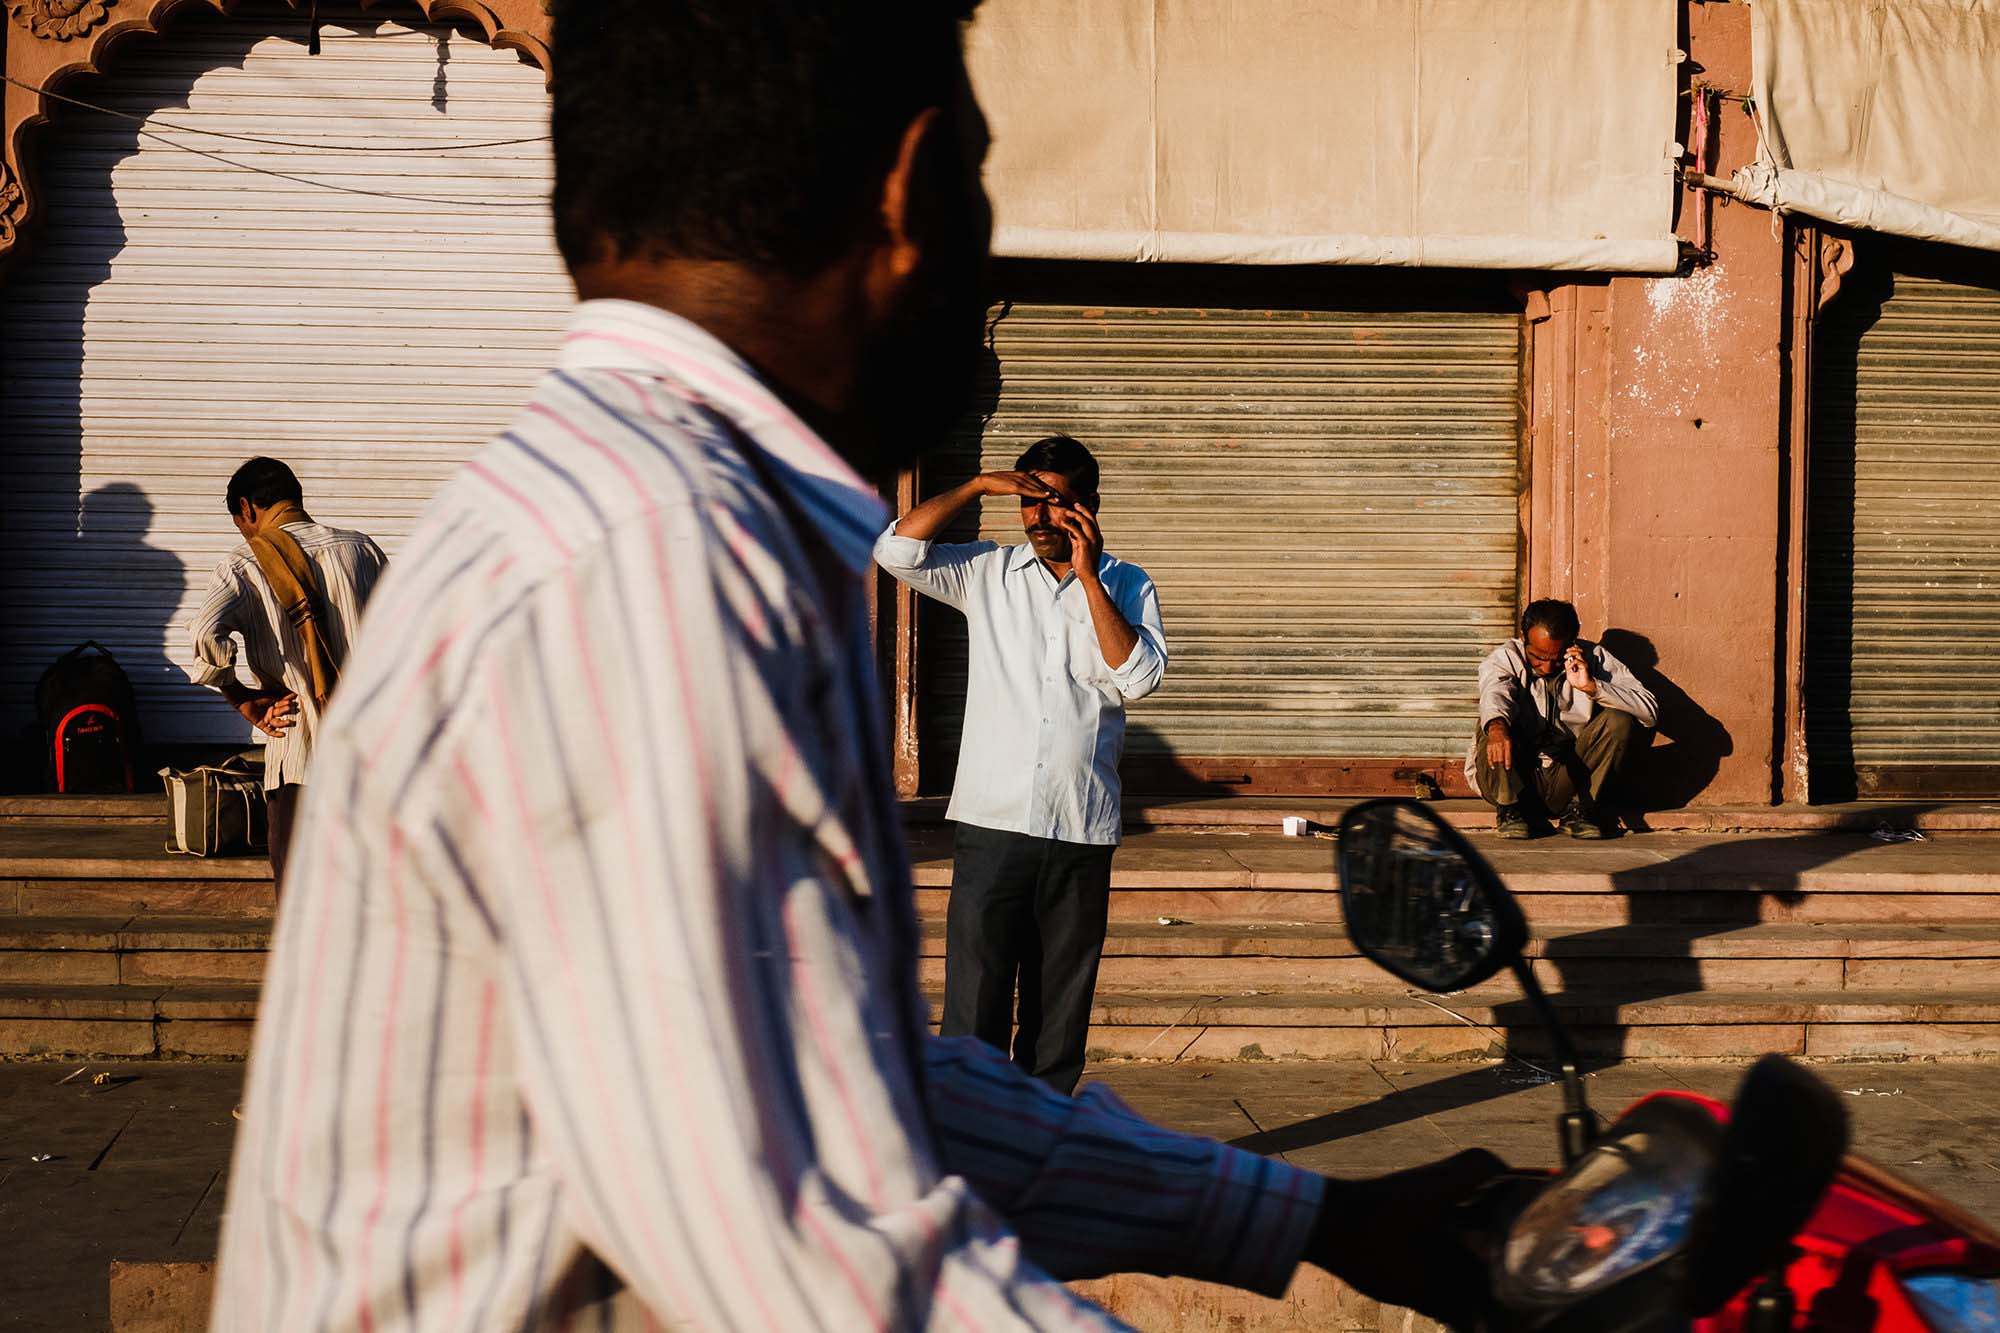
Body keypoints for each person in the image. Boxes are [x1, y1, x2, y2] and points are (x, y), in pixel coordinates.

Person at [211, 3, 1503, 1329]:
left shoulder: (641, 515)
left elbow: (848, 1087)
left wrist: (1318, 1217)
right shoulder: (664, 564)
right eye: (982, 178)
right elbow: (814, 1248)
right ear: (915, 188)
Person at [875, 435, 1163, 1094]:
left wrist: (1089, 579)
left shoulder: (1128, 582)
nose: (1037, 517)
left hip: (1080, 826)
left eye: (1054, 502)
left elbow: (1140, 677)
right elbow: (895, 550)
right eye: (1028, 502)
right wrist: (979, 486)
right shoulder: (986, 573)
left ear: (1088, 506)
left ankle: (1045, 1152)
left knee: (1057, 1018)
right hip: (993, 820)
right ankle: (971, 1150)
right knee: (973, 1006)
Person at [186, 456, 386, 887]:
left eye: (239, 521)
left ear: (247, 508)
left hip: (300, 760)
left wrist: (241, 698)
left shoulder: (243, 564)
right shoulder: (362, 550)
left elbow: (205, 632)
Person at [1467, 598, 1658, 839]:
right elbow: (1495, 691)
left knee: (1619, 719)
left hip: (1566, 780)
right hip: (1514, 778)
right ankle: (1510, 810)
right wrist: (1496, 727)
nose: (1547, 667)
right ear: (1523, 638)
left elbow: (1649, 712)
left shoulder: (1594, 658)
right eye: (1538, 657)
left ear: (1572, 644)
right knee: (1493, 721)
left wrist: (1592, 687)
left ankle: (1580, 811)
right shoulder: (1505, 657)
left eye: (1556, 659)